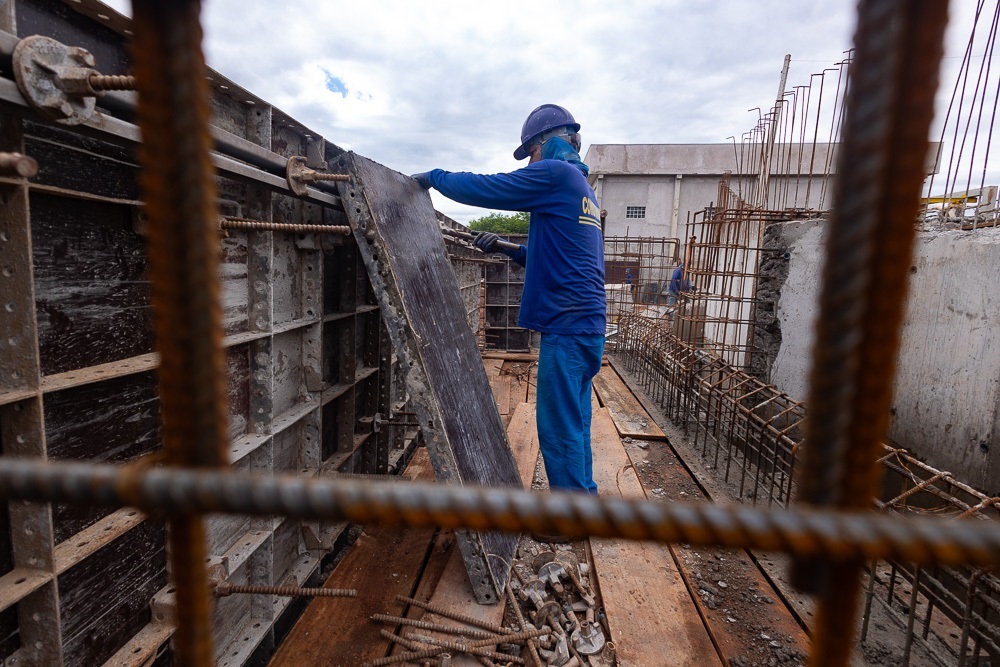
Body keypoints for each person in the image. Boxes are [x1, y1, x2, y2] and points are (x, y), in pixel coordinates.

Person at [412, 103, 606, 496]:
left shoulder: (555, 173)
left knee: (558, 423)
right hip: (585, 324)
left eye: (530, 153)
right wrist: (506, 248)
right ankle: (583, 495)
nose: (531, 162)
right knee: (576, 418)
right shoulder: (583, 190)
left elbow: (489, 187)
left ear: (545, 142)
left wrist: (434, 177)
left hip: (567, 326)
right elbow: (564, 255)